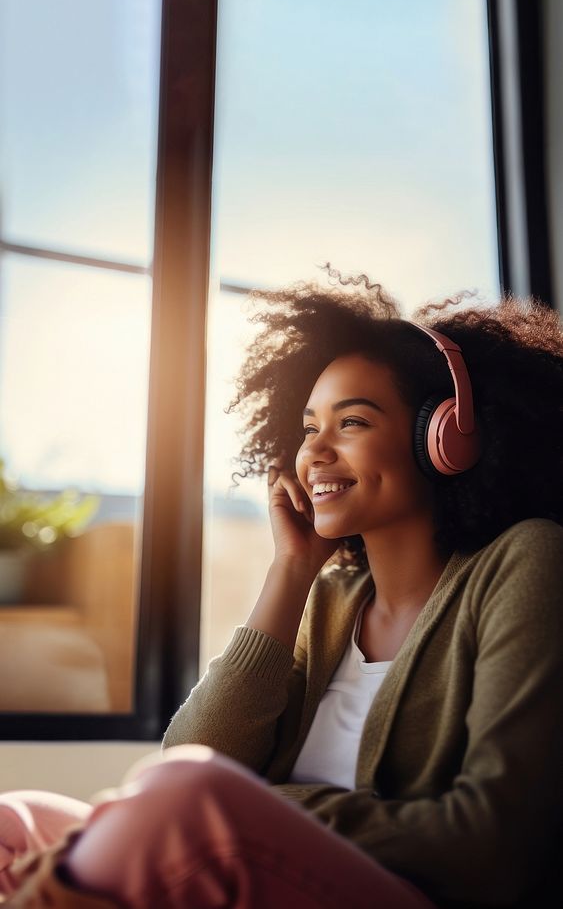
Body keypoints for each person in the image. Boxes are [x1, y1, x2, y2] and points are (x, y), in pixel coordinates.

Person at [1, 269, 563, 908]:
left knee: (182, 804)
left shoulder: (527, 559)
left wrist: (265, 806)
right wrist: (292, 570)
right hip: (256, 866)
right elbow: (190, 756)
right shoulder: (333, 599)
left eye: (350, 423)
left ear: (444, 439)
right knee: (12, 825)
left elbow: (492, 845)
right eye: (307, 427)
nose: (314, 452)